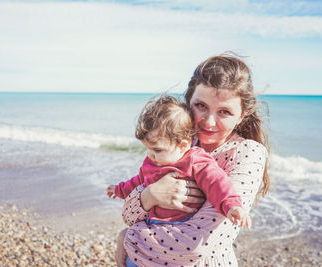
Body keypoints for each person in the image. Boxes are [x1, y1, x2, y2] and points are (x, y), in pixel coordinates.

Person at [116, 52, 270, 267]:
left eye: (224, 111)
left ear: (241, 115)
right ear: (188, 102)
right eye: (201, 106)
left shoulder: (247, 153)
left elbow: (197, 245)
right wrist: (151, 194)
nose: (208, 122)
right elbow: (128, 214)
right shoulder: (176, 140)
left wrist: (127, 238)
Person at [107, 95, 249, 229]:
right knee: (127, 241)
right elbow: (138, 182)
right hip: (151, 224)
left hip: (183, 225)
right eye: (147, 149)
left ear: (183, 145)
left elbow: (216, 182)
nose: (150, 155)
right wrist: (119, 189)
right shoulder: (151, 161)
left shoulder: (194, 160)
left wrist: (231, 205)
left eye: (157, 150)